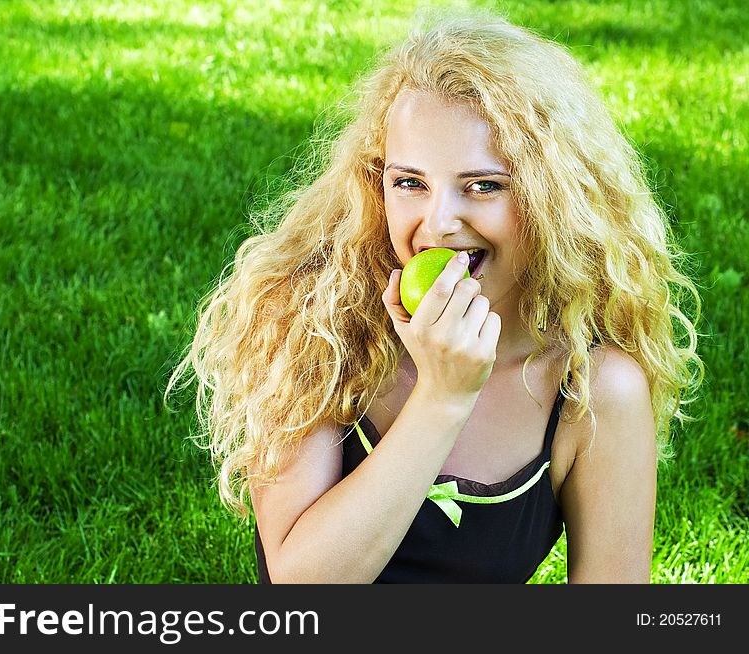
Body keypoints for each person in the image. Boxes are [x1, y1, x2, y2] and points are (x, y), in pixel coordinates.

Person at [165, 9, 705, 583]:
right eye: (409, 182)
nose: (439, 223)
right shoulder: (316, 320)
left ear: (554, 200)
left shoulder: (592, 390)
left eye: (484, 186)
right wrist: (443, 398)